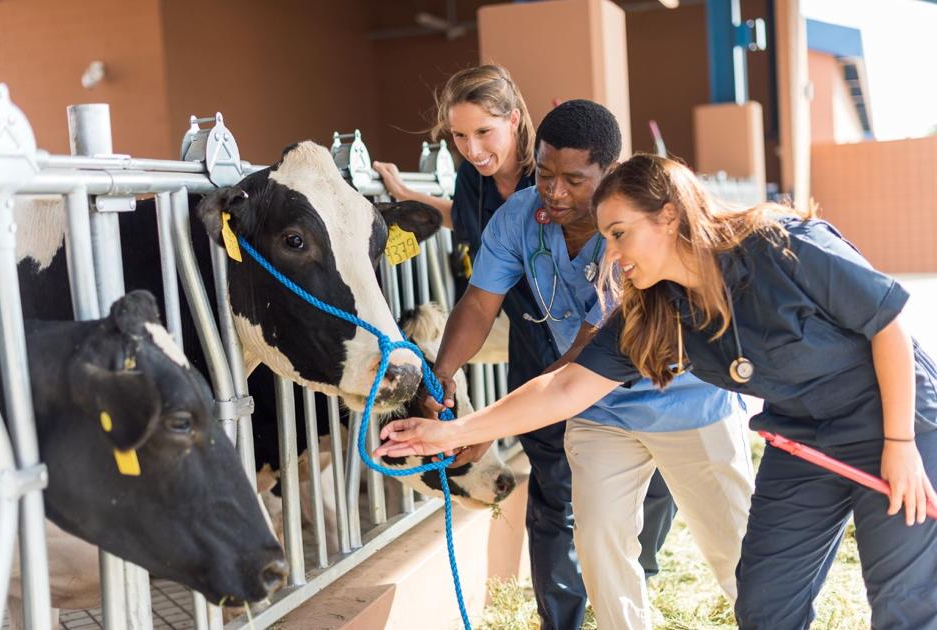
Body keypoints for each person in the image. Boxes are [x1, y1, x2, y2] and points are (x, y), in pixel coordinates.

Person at [376, 152, 937, 630]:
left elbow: (888, 323)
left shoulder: (779, 244)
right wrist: (451, 430)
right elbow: (566, 386)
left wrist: (900, 442)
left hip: (895, 417)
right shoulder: (658, 308)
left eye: (619, 235)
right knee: (765, 603)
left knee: (904, 600)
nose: (612, 255)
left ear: (668, 216)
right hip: (802, 437)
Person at [384, 102, 754, 630]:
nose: (554, 192)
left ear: (610, 172)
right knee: (601, 552)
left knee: (734, 551)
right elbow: (478, 304)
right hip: (600, 413)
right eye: (544, 173)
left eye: (574, 180)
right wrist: (440, 376)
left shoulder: (629, 235)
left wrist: (480, 429)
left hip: (686, 403)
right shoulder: (520, 217)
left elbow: (576, 366)